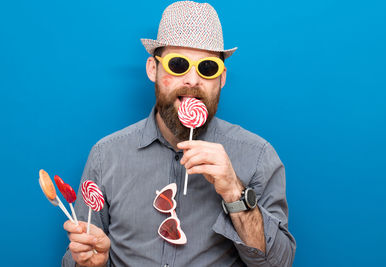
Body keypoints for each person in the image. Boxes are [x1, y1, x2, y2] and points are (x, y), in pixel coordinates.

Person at [62, 1, 296, 266]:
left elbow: (279, 263)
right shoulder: (106, 156)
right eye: (178, 64)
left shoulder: (257, 156)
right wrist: (90, 262)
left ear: (222, 78)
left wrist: (234, 192)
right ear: (153, 68)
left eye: (207, 68)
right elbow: (78, 255)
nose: (193, 80)